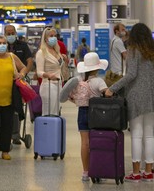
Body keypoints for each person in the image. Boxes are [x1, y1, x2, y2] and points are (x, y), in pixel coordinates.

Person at [105, 23, 154, 182]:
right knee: (149, 135)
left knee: (136, 135)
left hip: (135, 96)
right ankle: (148, 171)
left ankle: (136, 172)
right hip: (151, 96)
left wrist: (113, 87)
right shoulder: (152, 51)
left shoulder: (133, 51)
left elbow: (131, 75)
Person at [70, 52, 108, 181]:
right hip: (96, 114)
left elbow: (71, 97)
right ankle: (97, 169)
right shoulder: (99, 81)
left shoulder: (80, 82)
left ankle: (85, 172)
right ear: (97, 68)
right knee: (97, 141)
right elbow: (108, 94)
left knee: (85, 143)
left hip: (82, 112)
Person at [4, 25, 33, 144]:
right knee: (5, 106)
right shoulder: (0, 45)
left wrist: (24, 73)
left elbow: (29, 61)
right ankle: (4, 132)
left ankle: (15, 134)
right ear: (5, 34)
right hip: (3, 81)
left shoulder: (23, 45)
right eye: (8, 33)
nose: (10, 35)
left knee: (17, 106)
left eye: (12, 33)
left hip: (18, 81)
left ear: (15, 33)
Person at [35, 27, 67, 116]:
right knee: (48, 112)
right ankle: (46, 129)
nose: (54, 38)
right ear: (45, 38)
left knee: (56, 112)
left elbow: (59, 66)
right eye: (51, 36)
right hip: (48, 85)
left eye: (55, 36)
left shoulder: (57, 51)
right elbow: (39, 72)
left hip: (59, 84)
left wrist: (63, 59)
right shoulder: (41, 52)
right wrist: (48, 75)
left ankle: (54, 129)